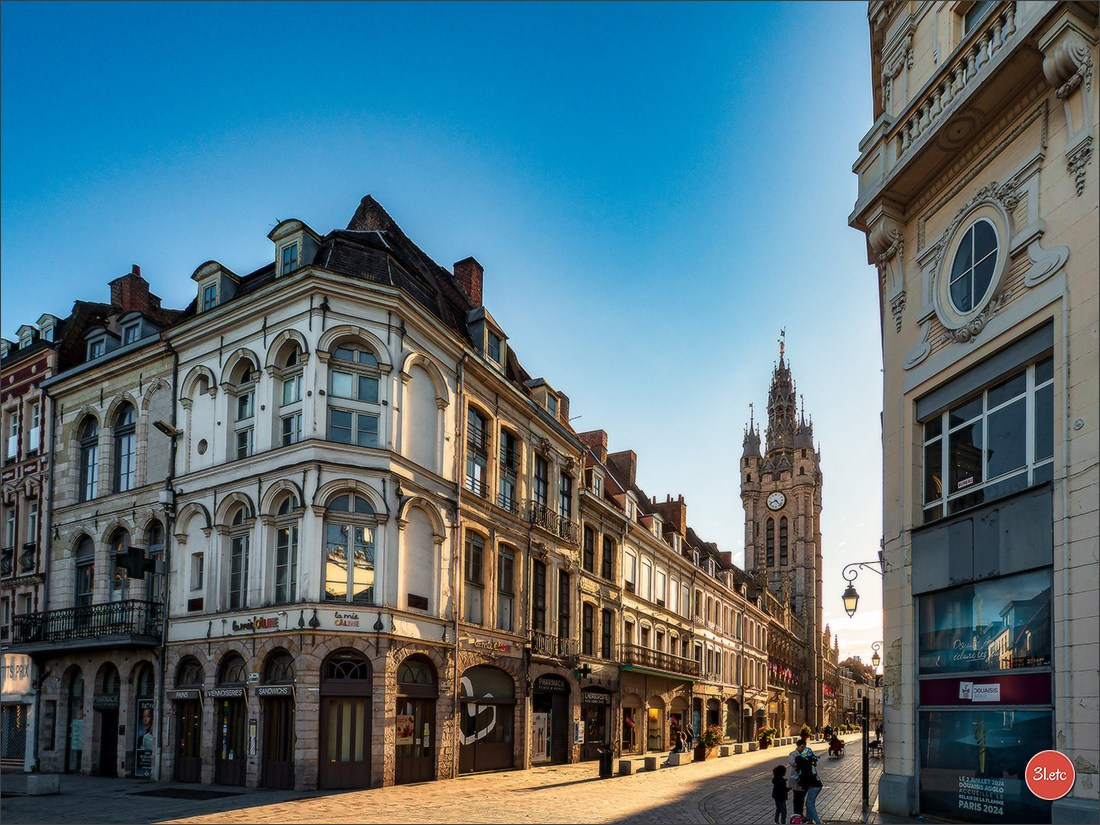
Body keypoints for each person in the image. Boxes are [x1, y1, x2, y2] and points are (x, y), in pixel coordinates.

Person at [796, 747, 824, 825]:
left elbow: (805, 777)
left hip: (814, 786)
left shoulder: (805, 766)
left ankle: (818, 821)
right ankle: (809, 820)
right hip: (816, 785)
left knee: (809, 803)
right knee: (809, 802)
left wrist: (800, 780)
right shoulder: (809, 763)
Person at [788, 737, 812, 820]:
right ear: (797, 747)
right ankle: (796, 814)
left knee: (802, 797)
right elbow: (792, 763)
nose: (803, 749)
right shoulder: (793, 754)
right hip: (795, 778)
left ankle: (800, 814)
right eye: (802, 747)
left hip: (804, 779)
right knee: (796, 797)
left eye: (804, 747)